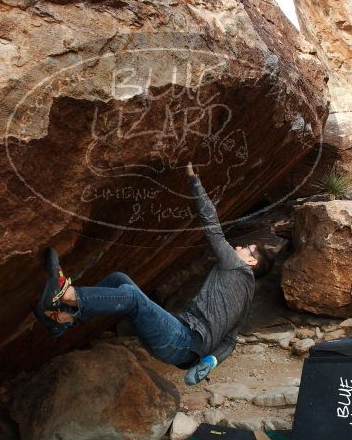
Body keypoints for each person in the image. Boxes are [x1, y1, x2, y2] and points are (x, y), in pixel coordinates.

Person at [34, 162, 271, 385]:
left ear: (251, 261)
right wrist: (211, 362)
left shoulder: (237, 267)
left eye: (246, 248)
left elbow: (213, 230)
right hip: (179, 345)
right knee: (118, 280)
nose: (238, 247)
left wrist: (193, 180)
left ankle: (66, 294)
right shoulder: (246, 299)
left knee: (131, 296)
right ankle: (63, 319)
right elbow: (230, 340)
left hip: (181, 340)